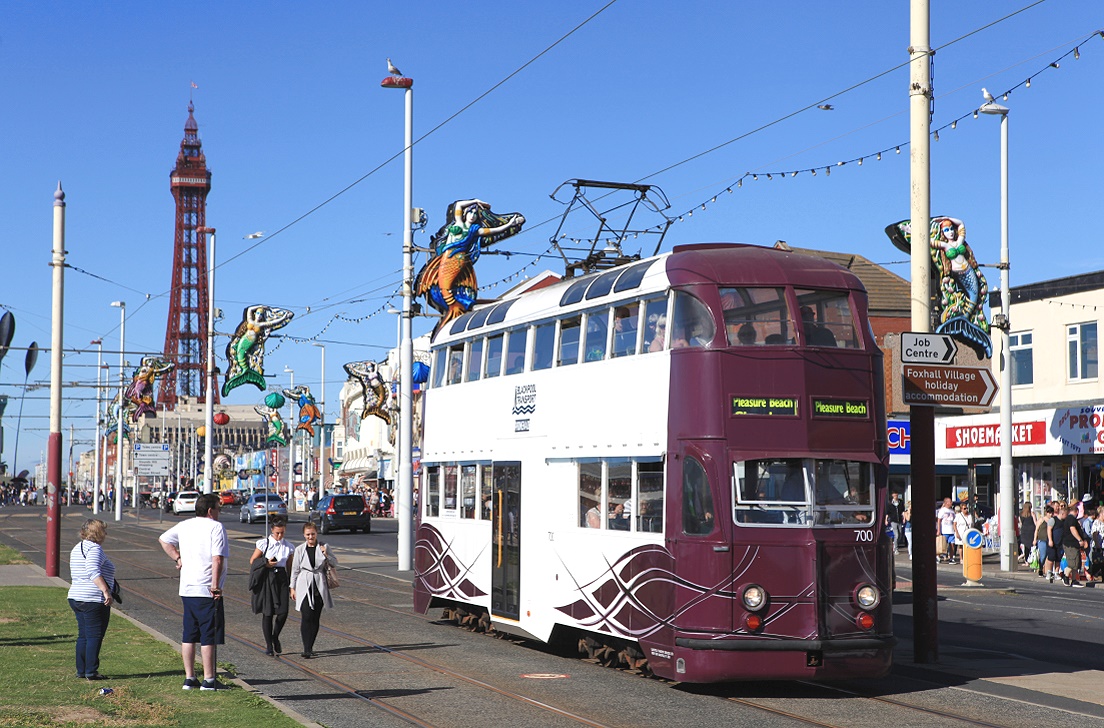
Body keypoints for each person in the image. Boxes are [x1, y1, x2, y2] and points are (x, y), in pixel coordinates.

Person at [158, 493, 229, 690]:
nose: (219, 512)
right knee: (208, 635)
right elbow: (217, 559)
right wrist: (215, 585)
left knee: (189, 633)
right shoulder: (216, 527)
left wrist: (177, 558)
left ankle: (189, 678)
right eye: (218, 508)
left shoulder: (185, 525)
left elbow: (164, 540)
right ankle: (209, 679)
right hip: (207, 588)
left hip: (187, 587)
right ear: (210, 510)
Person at [67, 518, 116, 680]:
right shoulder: (95, 549)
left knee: (84, 635)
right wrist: (106, 591)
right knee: (95, 635)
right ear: (98, 533)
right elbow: (92, 570)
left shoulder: (77, 548)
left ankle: (82, 669)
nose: (106, 534)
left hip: (77, 596)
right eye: (104, 530)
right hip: (92, 598)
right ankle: (91, 671)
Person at [288, 522, 337, 658]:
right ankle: (306, 648)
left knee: (315, 617)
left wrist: (326, 554)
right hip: (304, 584)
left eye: (313, 534)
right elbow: (295, 569)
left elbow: (334, 563)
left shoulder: (324, 546)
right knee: (306, 616)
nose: (310, 537)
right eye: (308, 534)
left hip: (319, 584)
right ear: (304, 535)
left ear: (316, 534)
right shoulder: (299, 550)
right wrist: (292, 587)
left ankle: (310, 646)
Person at [249, 516, 293, 656]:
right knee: (268, 613)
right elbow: (253, 560)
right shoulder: (264, 543)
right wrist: (266, 563)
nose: (279, 536)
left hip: (281, 577)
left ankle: (275, 636)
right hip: (267, 577)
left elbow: (290, 567)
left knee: (283, 612)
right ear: (272, 530)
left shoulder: (289, 547)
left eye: (282, 533)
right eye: (277, 533)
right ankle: (269, 645)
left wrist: (293, 585)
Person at [1058, 503, 1089, 587]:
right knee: (1073, 563)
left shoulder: (1071, 519)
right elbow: (1073, 529)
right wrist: (1080, 539)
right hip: (1070, 544)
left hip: (1074, 544)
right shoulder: (1071, 519)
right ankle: (1065, 575)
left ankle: (1074, 580)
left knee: (1077, 563)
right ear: (1076, 511)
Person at [936, 497, 955, 564]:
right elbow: (939, 520)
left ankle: (951, 558)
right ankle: (938, 557)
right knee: (942, 545)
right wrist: (939, 530)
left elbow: (954, 521)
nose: (951, 503)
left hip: (951, 531)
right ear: (946, 503)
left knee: (952, 545)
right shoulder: (942, 511)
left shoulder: (952, 511)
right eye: (950, 502)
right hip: (944, 530)